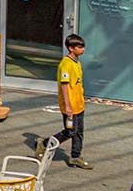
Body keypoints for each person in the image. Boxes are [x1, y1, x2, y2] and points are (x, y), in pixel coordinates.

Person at [36, 34, 92, 169]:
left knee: (79, 132)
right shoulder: (65, 64)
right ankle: (44, 144)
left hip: (79, 104)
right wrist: (67, 106)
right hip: (70, 106)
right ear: (71, 48)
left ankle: (75, 157)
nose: (83, 49)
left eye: (83, 46)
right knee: (70, 132)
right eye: (79, 47)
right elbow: (64, 86)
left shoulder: (77, 62)